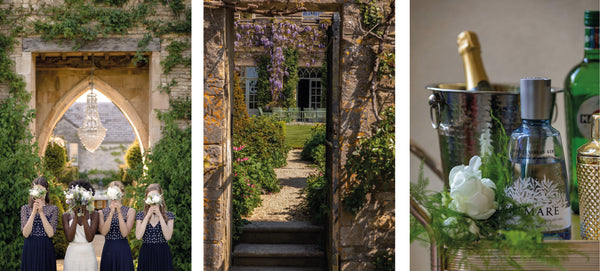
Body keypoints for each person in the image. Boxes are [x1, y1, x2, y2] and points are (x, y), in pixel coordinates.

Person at [20, 177, 58, 271]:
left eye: (41, 190)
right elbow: (25, 233)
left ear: (46, 191)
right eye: (36, 190)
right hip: (30, 247)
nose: (39, 194)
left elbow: (50, 233)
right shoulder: (25, 209)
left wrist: (41, 212)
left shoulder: (53, 209)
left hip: (46, 248)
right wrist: (33, 212)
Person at [135, 183, 175, 271]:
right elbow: (138, 236)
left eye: (156, 195)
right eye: (150, 196)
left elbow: (168, 237)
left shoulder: (169, 215)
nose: (153, 198)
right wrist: (148, 215)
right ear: (146, 199)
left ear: (160, 198)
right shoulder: (140, 215)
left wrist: (160, 215)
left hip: (162, 253)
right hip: (146, 253)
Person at [62, 180, 99, 271]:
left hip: (88, 254)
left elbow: (90, 238)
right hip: (72, 254)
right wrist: (75, 216)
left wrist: (83, 217)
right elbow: (69, 238)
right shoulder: (66, 216)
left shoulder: (94, 214)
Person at [98, 181, 135, 270]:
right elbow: (103, 232)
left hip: (123, 249)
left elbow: (125, 233)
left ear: (122, 193)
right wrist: (111, 211)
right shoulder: (101, 212)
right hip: (108, 249)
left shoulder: (130, 211)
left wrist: (118, 211)